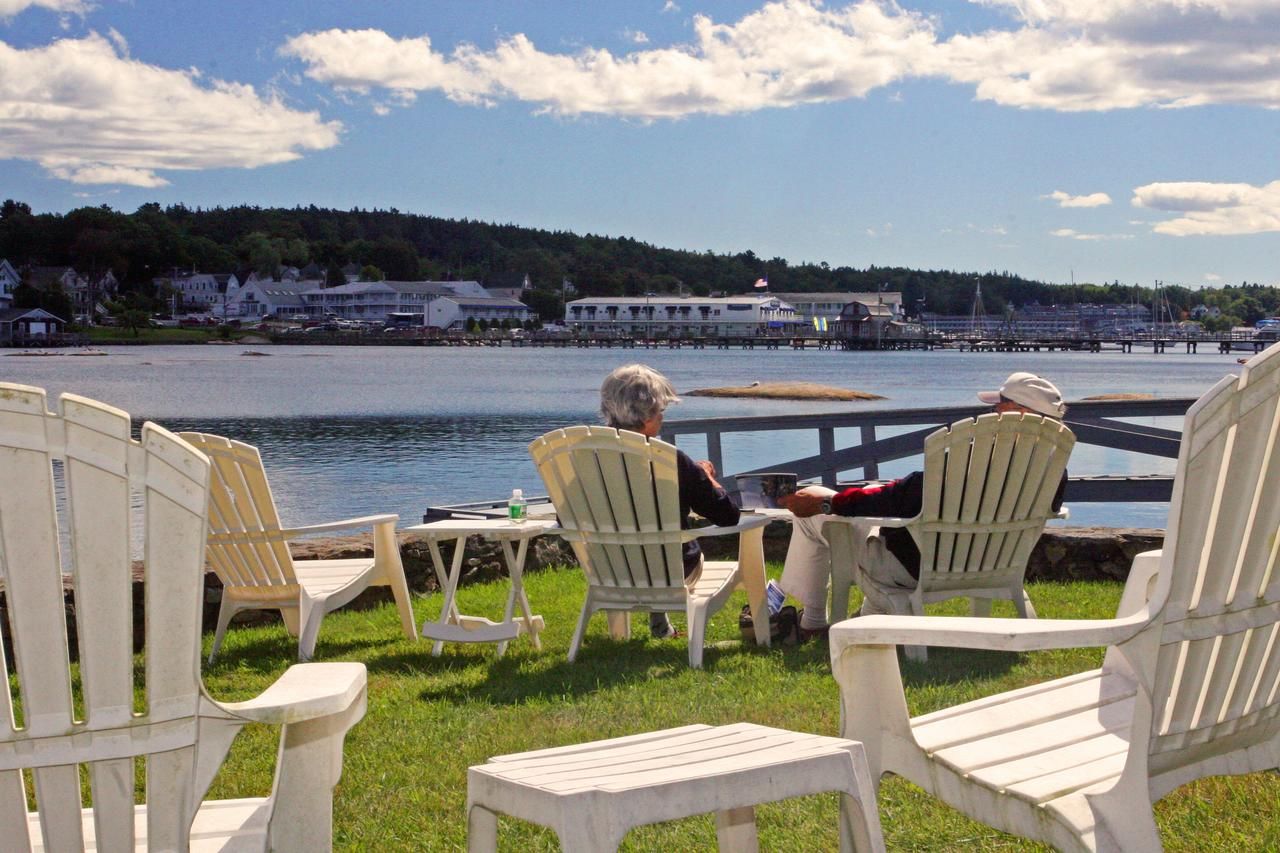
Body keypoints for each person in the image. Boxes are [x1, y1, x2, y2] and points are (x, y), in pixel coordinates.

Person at [776, 371, 1069, 640]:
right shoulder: (1053, 471)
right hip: (996, 565)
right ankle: (866, 620)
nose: (993, 412)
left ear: (1015, 412)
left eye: (998, 407)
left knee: (813, 505)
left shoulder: (969, 461)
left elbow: (899, 499)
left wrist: (828, 503)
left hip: (915, 568)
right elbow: (910, 495)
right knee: (869, 510)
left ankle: (812, 623)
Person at [599, 364, 741, 639]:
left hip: (611, 572)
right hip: (671, 574)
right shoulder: (669, 460)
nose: (662, 416)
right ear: (647, 416)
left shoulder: (585, 457)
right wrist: (706, 477)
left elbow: (565, 517)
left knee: (650, 544)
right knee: (669, 549)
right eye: (660, 409)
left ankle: (660, 626)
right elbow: (728, 516)